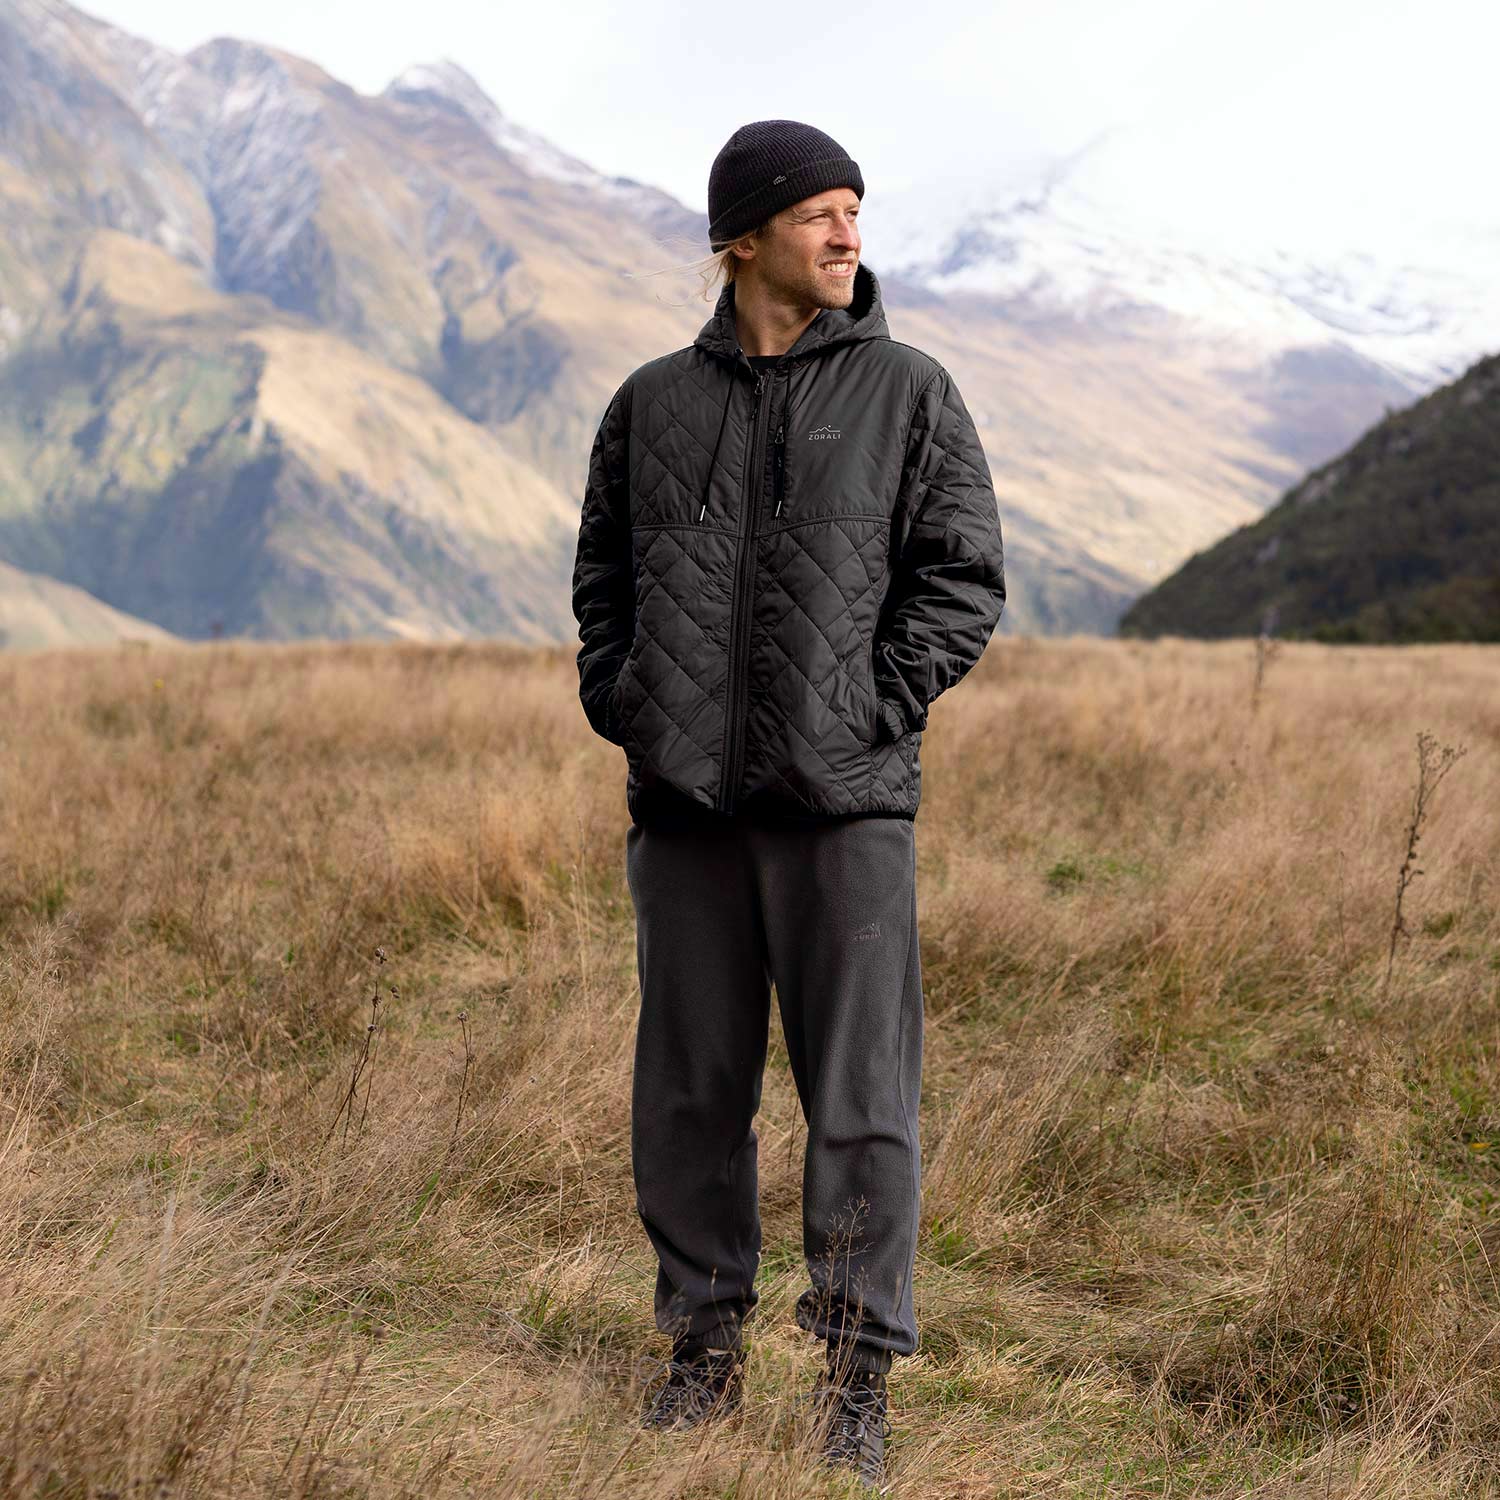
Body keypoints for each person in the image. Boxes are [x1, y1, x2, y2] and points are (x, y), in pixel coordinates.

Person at [570, 119, 1006, 1487]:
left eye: (854, 210)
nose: (846, 234)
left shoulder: (910, 392)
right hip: (687, 816)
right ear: (742, 238)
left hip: (847, 810)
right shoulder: (651, 403)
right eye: (818, 212)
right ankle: (700, 1354)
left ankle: (855, 1380)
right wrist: (629, 699)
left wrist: (877, 704)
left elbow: (963, 577)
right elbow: (602, 581)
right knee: (689, 1097)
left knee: (861, 1102)